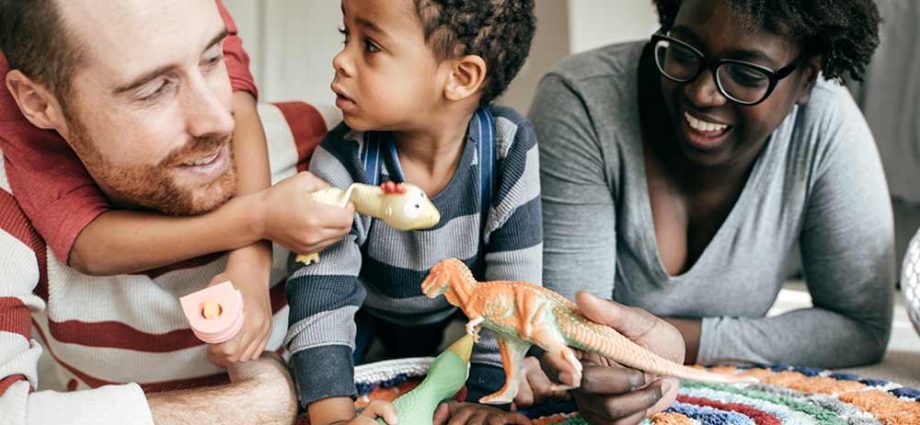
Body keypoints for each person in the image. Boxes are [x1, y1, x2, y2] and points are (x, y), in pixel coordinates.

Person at [528, 0, 894, 422]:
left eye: (747, 74)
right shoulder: (584, 102)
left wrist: (679, 343)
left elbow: (860, 326)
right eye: (683, 52)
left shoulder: (826, 126)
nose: (702, 93)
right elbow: (562, 326)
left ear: (807, 80)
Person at [0, 0, 353, 423]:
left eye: (211, 59)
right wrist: (257, 404)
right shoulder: (13, 215)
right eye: (153, 90)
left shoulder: (326, 154)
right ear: (37, 103)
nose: (217, 120)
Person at [283, 1, 541, 424]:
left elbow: (511, 290)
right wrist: (334, 417)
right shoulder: (343, 159)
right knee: (303, 384)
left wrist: (488, 400)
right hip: (366, 312)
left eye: (370, 45)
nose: (340, 60)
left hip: (458, 317)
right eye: (344, 35)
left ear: (460, 77)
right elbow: (322, 295)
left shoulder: (507, 146)